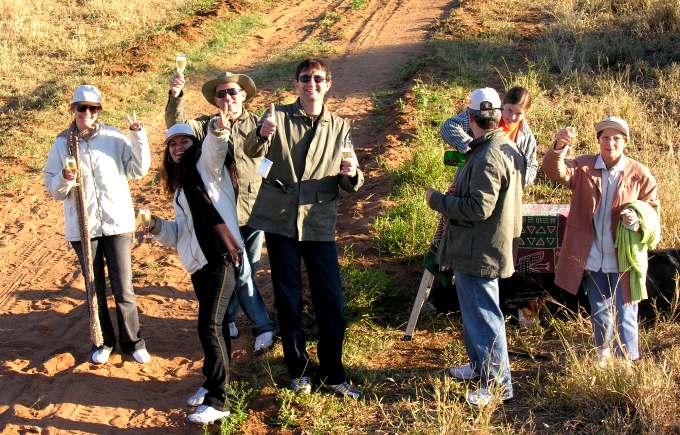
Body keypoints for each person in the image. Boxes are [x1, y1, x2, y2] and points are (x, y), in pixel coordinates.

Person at [244, 58, 364, 399]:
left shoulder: (339, 126)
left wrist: (351, 172)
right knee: (288, 300)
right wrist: (260, 134)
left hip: (318, 223)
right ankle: (298, 371)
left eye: (317, 78)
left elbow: (351, 178)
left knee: (331, 302)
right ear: (295, 84)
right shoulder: (276, 117)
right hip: (281, 222)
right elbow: (253, 153)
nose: (311, 83)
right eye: (305, 78)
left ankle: (333, 371)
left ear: (328, 84)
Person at [426, 87, 523, 406]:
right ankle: (480, 367)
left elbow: (478, 208)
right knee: (474, 312)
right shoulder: (495, 147)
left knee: (484, 315)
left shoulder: (489, 155)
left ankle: (498, 385)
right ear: (497, 116)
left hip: (480, 250)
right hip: (478, 247)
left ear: (470, 118)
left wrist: (439, 201)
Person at [166, 70, 276, 353]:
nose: (227, 97)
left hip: (255, 210)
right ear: (215, 100)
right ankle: (262, 326)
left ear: (243, 96)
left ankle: (228, 317)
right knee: (241, 271)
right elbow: (177, 129)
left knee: (248, 265)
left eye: (232, 92)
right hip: (222, 217)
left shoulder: (259, 124)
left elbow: (276, 158)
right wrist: (176, 96)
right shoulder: (206, 126)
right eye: (221, 94)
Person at [43, 85, 151, 365]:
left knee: (124, 287)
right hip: (84, 228)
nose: (87, 113)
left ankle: (133, 341)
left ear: (99, 111)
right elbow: (53, 190)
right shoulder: (62, 143)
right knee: (95, 290)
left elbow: (138, 170)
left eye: (93, 108)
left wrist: (138, 137)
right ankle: (104, 342)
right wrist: (66, 178)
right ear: (73, 109)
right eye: (82, 108)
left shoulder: (114, 137)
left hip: (117, 224)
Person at [542, 116, 660, 363]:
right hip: (593, 254)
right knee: (599, 309)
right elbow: (555, 172)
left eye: (616, 138)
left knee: (626, 310)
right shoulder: (584, 166)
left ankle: (626, 360)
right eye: (605, 138)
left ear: (625, 141)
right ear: (598, 141)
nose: (610, 143)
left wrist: (636, 221)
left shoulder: (639, 174)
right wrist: (559, 148)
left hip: (624, 255)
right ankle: (602, 355)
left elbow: (652, 212)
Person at [149, 115, 241, 425]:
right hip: (200, 264)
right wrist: (157, 227)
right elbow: (180, 233)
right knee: (217, 328)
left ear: (195, 143)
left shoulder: (205, 167)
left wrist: (217, 130)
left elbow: (216, 149)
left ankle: (219, 399)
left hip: (221, 257)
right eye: (172, 144)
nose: (177, 148)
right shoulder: (180, 186)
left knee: (209, 326)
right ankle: (212, 382)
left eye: (184, 141)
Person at [440, 86, 537, 186]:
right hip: (472, 180)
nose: (512, 117)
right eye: (509, 110)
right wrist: (472, 147)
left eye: (519, 113)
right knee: (448, 158)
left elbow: (532, 168)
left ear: (525, 113)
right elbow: (448, 126)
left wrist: (512, 178)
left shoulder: (527, 137)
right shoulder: (486, 115)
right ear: (502, 104)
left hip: (502, 185)